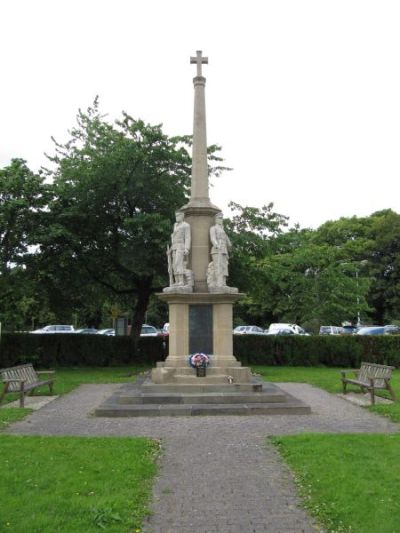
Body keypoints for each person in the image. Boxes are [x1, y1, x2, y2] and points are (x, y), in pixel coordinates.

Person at [209, 212, 231, 287]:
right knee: (218, 266)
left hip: (224, 250)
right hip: (217, 250)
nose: (221, 220)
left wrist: (229, 245)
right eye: (219, 218)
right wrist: (217, 245)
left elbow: (228, 242)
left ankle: (223, 282)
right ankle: (219, 283)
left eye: (221, 218)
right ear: (215, 220)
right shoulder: (213, 228)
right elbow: (213, 238)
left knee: (224, 267)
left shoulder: (222, 229)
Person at [169, 211, 191, 286]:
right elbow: (173, 237)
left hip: (181, 246)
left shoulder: (186, 225)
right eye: (176, 216)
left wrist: (187, 248)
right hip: (174, 246)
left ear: (182, 216)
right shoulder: (175, 225)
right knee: (174, 264)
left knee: (179, 263)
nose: (176, 217)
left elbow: (187, 237)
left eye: (178, 216)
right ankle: (177, 281)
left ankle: (181, 281)